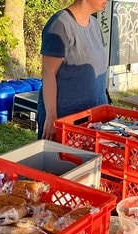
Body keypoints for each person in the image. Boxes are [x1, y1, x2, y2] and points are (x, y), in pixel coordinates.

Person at [37, 0, 109, 141]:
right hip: (66, 117)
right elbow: (48, 73)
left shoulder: (94, 24)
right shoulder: (60, 24)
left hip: (93, 117)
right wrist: (52, 118)